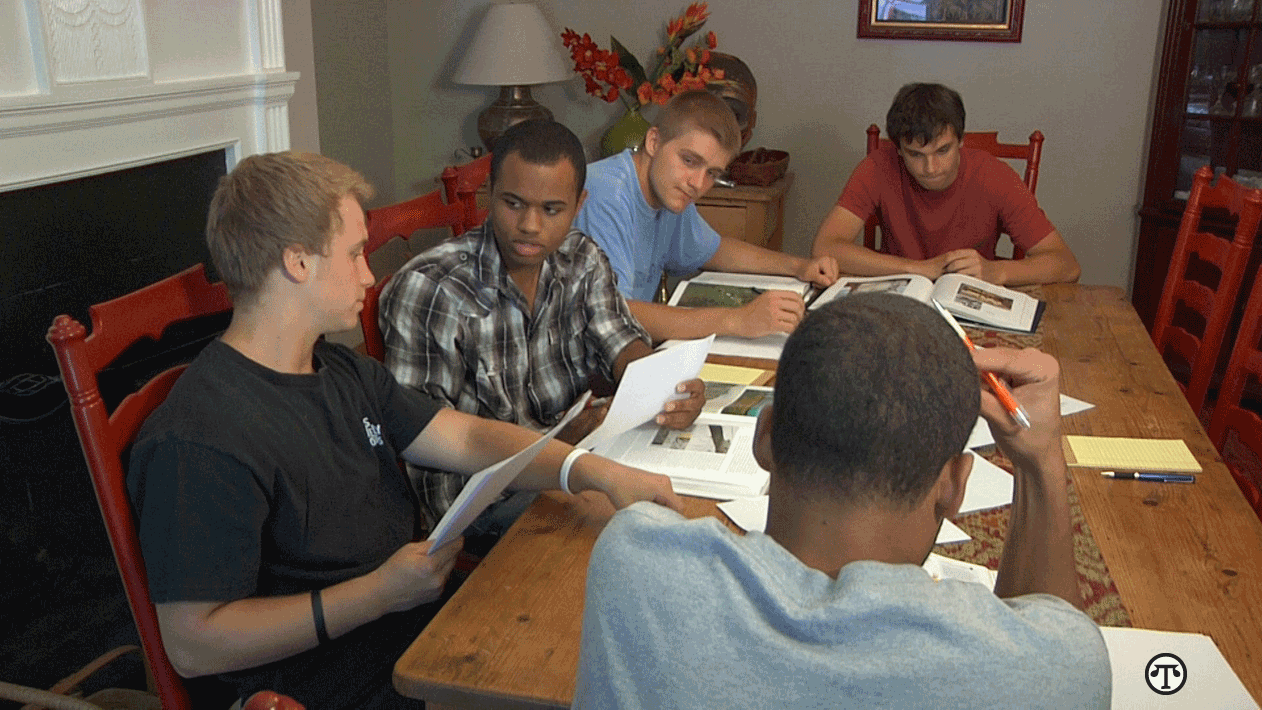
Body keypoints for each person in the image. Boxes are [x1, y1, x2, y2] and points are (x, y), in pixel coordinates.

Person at [126, 151, 683, 709]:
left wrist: (590, 471)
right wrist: (377, 595)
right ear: (298, 262)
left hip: (415, 628)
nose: (368, 274)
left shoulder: (339, 370)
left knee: (619, 632)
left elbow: (466, 437)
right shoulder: (200, 436)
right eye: (354, 254)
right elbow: (193, 643)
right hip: (333, 682)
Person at [574, 293, 1111, 709]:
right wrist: (1039, 465)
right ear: (954, 485)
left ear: (765, 440)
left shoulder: (635, 561)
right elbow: (1049, 628)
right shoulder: (1061, 666)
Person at [379, 119, 704, 528]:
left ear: (579, 205)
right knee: (647, 525)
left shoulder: (580, 257)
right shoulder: (432, 291)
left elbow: (621, 342)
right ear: (489, 195)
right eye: (513, 204)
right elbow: (434, 473)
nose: (530, 226)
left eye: (552, 209)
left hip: (575, 462)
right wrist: (560, 454)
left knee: (677, 505)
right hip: (487, 505)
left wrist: (669, 390)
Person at [575, 90, 839, 342]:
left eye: (712, 173)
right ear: (653, 142)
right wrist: (737, 320)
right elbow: (616, 313)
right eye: (689, 160)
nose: (698, 183)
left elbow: (714, 250)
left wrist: (799, 266)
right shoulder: (606, 193)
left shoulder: (671, 190)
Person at [812, 83, 1081, 286]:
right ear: (898, 150)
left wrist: (995, 271)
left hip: (969, 294)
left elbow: (1066, 265)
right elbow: (825, 247)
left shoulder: (994, 175)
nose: (931, 169)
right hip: (900, 292)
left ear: (961, 141)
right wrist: (921, 269)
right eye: (916, 155)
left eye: (942, 151)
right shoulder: (878, 166)